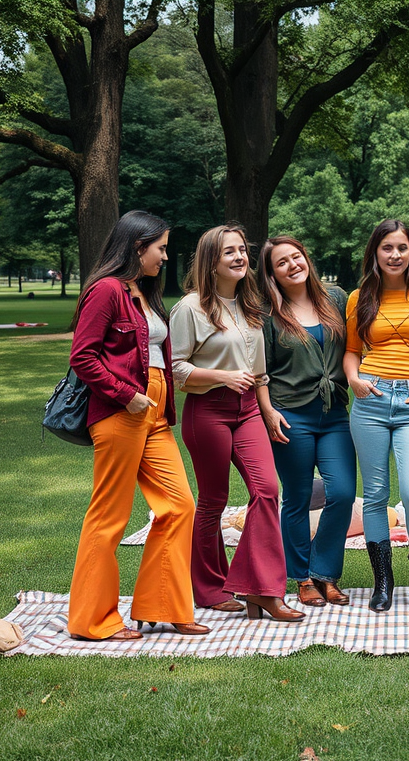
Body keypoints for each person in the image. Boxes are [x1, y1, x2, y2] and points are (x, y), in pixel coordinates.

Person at [67, 210, 209, 641]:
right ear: (137, 245)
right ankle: (93, 621)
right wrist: (126, 395)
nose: (165, 256)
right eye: (161, 247)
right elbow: (83, 356)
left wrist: (156, 401)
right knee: (109, 516)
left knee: (179, 504)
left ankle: (163, 606)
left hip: (156, 412)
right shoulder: (107, 290)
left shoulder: (143, 292)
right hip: (120, 409)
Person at [170, 225, 303, 623]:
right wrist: (221, 376)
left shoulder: (250, 308)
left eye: (243, 250)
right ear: (211, 260)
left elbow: (259, 374)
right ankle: (209, 589)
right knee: (213, 500)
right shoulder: (189, 308)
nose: (240, 257)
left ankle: (261, 590)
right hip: (207, 411)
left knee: (267, 490)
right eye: (230, 252)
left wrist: (266, 411)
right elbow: (176, 369)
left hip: (247, 411)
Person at [345, 219, 409, 613]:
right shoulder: (360, 297)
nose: (394, 255)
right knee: (374, 495)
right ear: (375, 252)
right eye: (387, 247)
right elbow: (352, 350)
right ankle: (383, 582)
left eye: (402, 248)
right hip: (370, 398)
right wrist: (354, 378)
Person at [256, 236, 356, 607]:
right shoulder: (267, 314)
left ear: (306, 258)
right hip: (290, 415)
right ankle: (302, 578)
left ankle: (325, 571)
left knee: (343, 493)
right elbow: (259, 369)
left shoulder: (336, 299)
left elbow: (357, 346)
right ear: (271, 274)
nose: (292, 265)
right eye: (281, 262)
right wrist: (267, 411)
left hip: (334, 415)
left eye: (296, 256)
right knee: (297, 498)